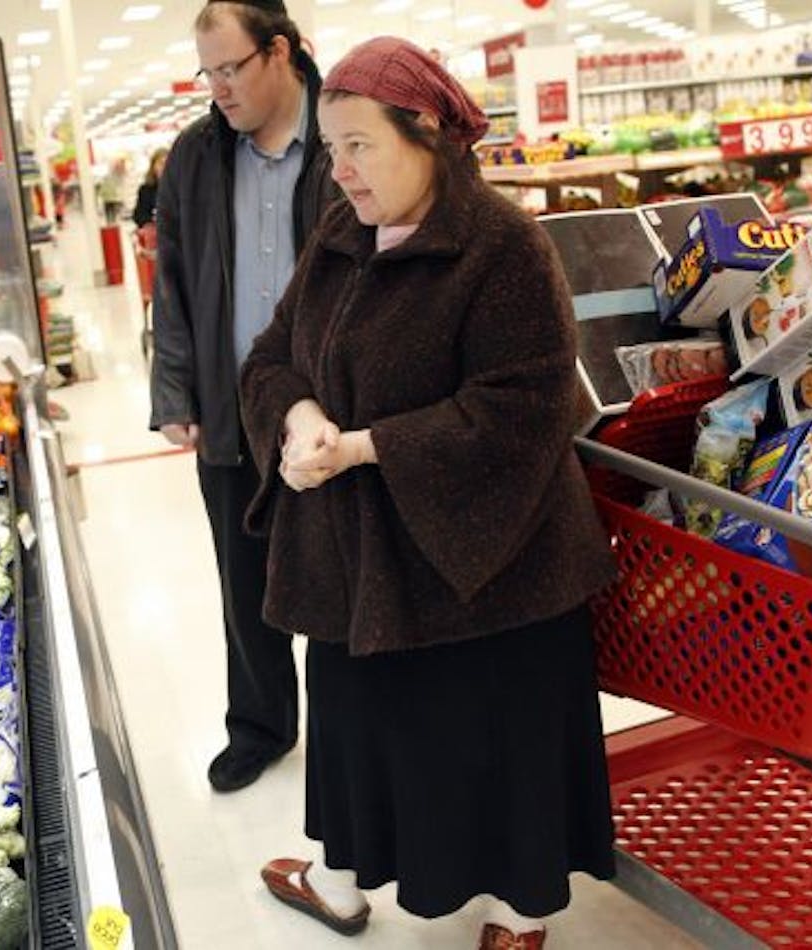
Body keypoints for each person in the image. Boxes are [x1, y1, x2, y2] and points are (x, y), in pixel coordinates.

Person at [239, 37, 619, 949]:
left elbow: (524, 409)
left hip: (492, 564)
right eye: (332, 148)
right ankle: (338, 883)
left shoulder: (503, 247)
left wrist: (367, 447)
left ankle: (518, 915)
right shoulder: (338, 236)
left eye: (361, 146)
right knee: (356, 730)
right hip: (361, 559)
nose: (343, 172)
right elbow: (272, 356)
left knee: (495, 738)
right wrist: (297, 421)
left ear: (429, 135)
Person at [149, 0, 338, 793]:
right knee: (245, 581)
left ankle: (344, 732)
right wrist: (174, 390)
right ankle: (259, 726)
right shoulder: (195, 155)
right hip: (233, 410)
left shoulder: (343, 136)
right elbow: (176, 276)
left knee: (338, 573)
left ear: (281, 53)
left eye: (231, 68)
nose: (218, 88)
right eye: (208, 71)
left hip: (327, 410)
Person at [132, 147, 168, 228]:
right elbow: (138, 215)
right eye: (161, 163)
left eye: (167, 163)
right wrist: (151, 220)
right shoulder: (146, 189)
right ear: (153, 166)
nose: (164, 167)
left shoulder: (179, 188)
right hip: (155, 233)